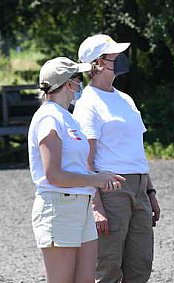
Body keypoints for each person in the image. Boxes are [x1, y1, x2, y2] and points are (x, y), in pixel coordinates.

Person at [72, 34, 160, 283]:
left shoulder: (126, 100)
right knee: (108, 267)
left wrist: (150, 192)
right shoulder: (87, 103)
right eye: (114, 56)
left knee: (141, 265)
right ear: (98, 63)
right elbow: (86, 161)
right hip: (111, 191)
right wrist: (96, 205)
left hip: (139, 188)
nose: (120, 59)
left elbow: (136, 150)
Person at [28, 57, 125, 283]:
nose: (81, 84)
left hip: (80, 207)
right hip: (58, 207)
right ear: (68, 83)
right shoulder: (48, 117)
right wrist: (97, 180)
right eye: (78, 78)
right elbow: (54, 175)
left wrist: (98, 179)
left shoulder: (68, 118)